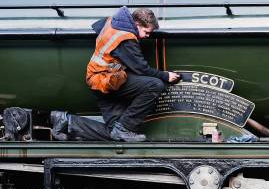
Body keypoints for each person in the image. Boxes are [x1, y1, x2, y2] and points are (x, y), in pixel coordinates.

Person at [51, 7, 180, 142]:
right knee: (155, 85)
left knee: (115, 135)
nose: (148, 36)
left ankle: (67, 121)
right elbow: (141, 69)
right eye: (146, 32)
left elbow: (97, 26)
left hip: (103, 81)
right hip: (106, 81)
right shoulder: (126, 38)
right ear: (136, 24)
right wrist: (165, 76)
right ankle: (124, 128)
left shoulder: (113, 22)